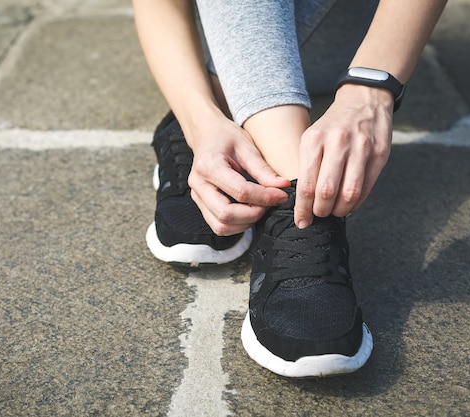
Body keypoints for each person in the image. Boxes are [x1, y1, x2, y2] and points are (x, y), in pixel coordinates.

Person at [133, 0, 446, 378]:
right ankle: (286, 179)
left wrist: (370, 90)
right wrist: (201, 123)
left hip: (355, 40)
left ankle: (262, 157)